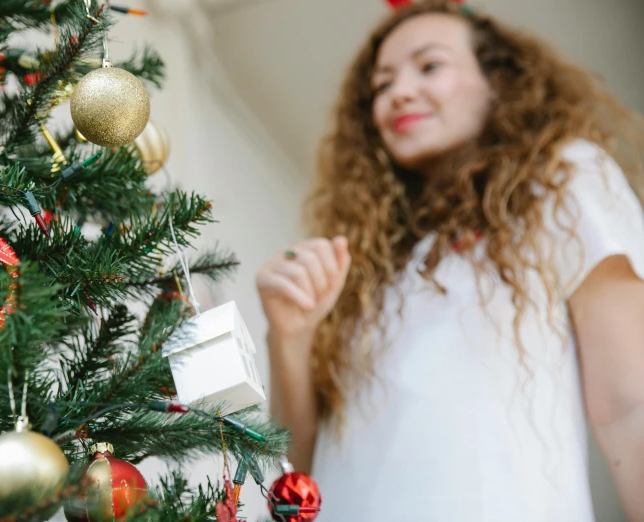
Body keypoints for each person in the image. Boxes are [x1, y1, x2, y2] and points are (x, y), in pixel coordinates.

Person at [255, 1, 644, 521]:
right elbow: (296, 473)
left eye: (429, 66)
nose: (399, 93)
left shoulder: (562, 178)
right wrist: (289, 335)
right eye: (382, 85)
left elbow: (629, 404)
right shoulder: (364, 261)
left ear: (499, 83)